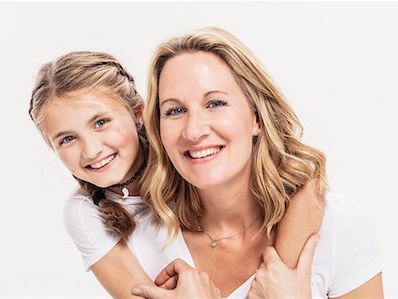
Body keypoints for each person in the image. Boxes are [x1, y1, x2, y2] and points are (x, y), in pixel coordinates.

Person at [29, 51, 324, 298]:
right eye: (67, 139)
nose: (91, 150)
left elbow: (307, 180)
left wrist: (280, 282)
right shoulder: (84, 213)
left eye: (101, 122)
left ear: (137, 113)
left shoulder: (187, 157)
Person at [131, 27, 384, 298]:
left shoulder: (337, 227)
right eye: (175, 110)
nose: (193, 131)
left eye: (215, 103)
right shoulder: (142, 236)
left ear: (257, 118)